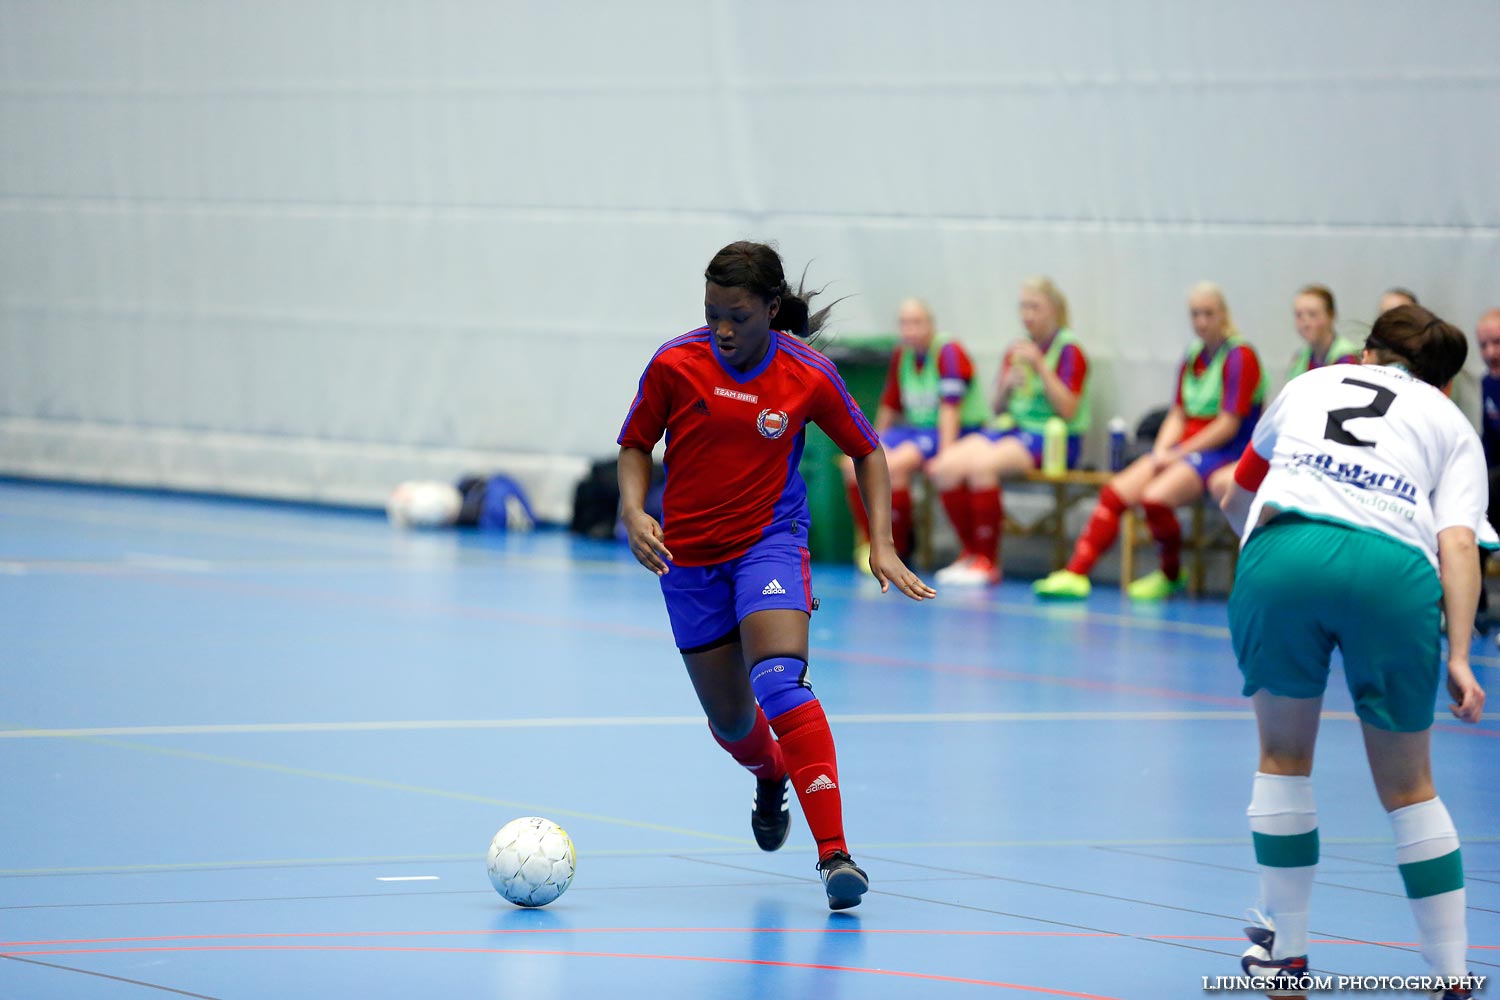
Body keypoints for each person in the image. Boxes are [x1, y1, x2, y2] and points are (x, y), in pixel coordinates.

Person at [617, 241, 935, 911]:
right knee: (734, 723)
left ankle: (835, 855)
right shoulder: (676, 363)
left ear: (770, 308)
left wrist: (881, 543)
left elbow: (868, 450)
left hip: (769, 542)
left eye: (736, 314)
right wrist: (632, 509)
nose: (722, 329)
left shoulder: (807, 374)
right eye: (711, 313)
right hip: (690, 559)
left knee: (779, 681)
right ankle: (769, 775)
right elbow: (636, 443)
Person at [1218, 304, 1488, 999]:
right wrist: (1459, 654)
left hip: (1286, 550)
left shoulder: (1311, 383)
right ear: (1443, 381)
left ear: (1367, 356)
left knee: (1283, 759)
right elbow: (1459, 544)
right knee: (1409, 787)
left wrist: (1262, 557)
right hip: (1393, 569)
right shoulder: (1452, 424)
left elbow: (1235, 492)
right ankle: (1452, 971)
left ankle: (1287, 955)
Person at [1033, 282, 1264, 601]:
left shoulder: (1241, 357)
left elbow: (1228, 424)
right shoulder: (1193, 355)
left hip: (1224, 451)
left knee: (1155, 497)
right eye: (1195, 314)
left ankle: (1171, 574)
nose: (1201, 321)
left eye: (1208, 314)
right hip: (1188, 449)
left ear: (1223, 314)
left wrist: (1179, 452)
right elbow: (1178, 412)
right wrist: (1161, 451)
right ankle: (1076, 573)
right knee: (1116, 492)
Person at [927, 277, 1090, 585]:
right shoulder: (1017, 349)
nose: (1027, 314)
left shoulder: (1069, 351)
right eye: (1023, 307)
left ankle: (989, 561)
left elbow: (1068, 409)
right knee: (944, 466)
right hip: (1011, 430)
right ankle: (969, 553)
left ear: (1054, 310)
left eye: (1035, 307)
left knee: (982, 467)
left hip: (1052, 437)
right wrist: (1005, 386)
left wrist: (1041, 368)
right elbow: (997, 407)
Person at [840, 298, 990, 569]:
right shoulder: (903, 354)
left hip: (954, 431)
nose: (910, 330)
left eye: (916, 323)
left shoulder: (948, 352)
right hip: (917, 429)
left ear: (931, 324)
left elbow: (950, 409)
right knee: (853, 464)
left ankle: (898, 550)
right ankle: (872, 543)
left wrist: (946, 456)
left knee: (893, 466)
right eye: (905, 324)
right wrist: (867, 446)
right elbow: (890, 404)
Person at [1285, 284, 1359, 383]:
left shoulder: (1347, 358)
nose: (1305, 323)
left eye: (1312, 314)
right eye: (1299, 315)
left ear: (1331, 315)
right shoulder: (1299, 359)